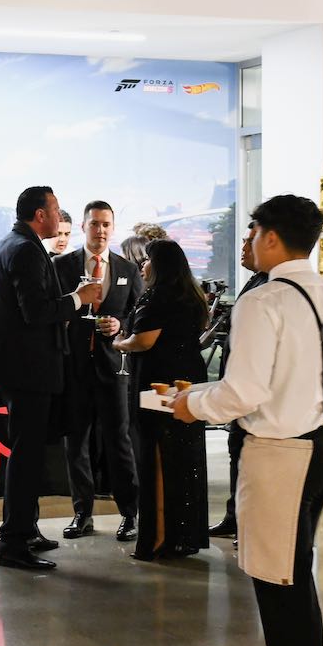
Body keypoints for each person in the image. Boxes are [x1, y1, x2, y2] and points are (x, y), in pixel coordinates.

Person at [172, 194, 323, 646]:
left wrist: (193, 404)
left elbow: (243, 392)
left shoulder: (262, 303)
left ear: (270, 237)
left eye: (252, 230)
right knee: (293, 571)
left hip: (282, 454)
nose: (246, 242)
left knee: (277, 580)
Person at [0, 186, 102, 571]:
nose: (59, 214)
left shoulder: (14, 245)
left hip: (24, 369)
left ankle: (26, 529)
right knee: (26, 457)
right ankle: (13, 542)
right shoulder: (22, 249)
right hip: (28, 370)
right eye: (54, 208)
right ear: (39, 215)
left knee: (27, 455)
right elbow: (35, 312)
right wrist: (79, 299)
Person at [113, 239, 208, 560]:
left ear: (160, 264)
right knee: (185, 455)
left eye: (148, 260)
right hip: (186, 385)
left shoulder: (156, 296)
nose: (143, 265)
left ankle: (158, 539)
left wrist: (119, 344)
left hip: (158, 387)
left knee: (155, 454)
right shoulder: (191, 295)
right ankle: (184, 534)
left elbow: (144, 341)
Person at [53, 200, 142, 541]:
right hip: (74, 367)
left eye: (106, 225)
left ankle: (129, 513)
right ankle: (82, 513)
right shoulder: (63, 266)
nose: (101, 230)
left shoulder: (127, 270)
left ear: (112, 228)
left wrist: (121, 324)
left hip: (114, 368)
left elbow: (137, 314)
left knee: (118, 440)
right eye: (95, 224)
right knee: (76, 442)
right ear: (84, 227)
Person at [208, 221, 269, 539]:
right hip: (238, 385)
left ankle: (246, 521)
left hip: (255, 394)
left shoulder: (271, 289)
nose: (244, 248)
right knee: (237, 451)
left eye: (249, 242)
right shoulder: (256, 281)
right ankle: (235, 515)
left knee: (249, 458)